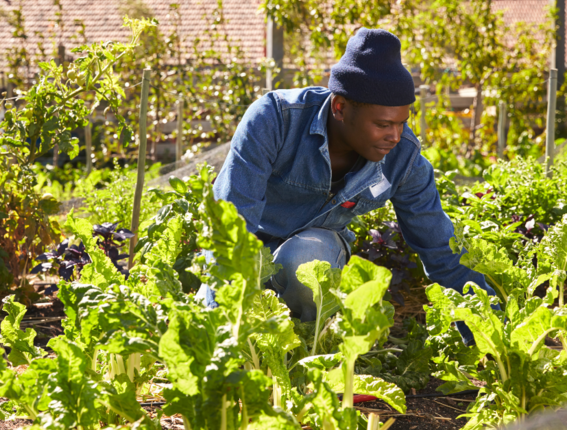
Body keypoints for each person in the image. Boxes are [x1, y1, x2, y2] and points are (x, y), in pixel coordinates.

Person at [201, 28, 497, 346]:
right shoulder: (275, 120)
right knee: (216, 330)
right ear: (340, 107)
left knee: (308, 261)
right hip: (249, 255)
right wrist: (225, 340)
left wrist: (493, 338)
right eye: (382, 124)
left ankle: (305, 354)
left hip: (312, 252)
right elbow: (230, 233)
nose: (395, 136)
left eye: (401, 122)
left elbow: (442, 253)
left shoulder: (404, 160)